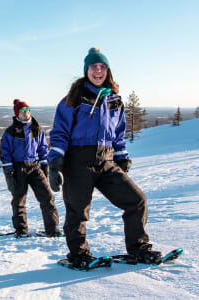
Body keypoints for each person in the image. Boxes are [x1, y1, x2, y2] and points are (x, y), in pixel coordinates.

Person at [48, 48, 160, 268]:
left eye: (102, 67)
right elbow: (60, 132)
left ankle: (138, 248)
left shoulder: (114, 99)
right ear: (86, 70)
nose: (98, 71)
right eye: (94, 67)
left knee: (137, 200)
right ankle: (79, 255)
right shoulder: (74, 98)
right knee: (78, 212)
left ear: (108, 70)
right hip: (78, 161)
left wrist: (122, 157)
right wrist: (56, 162)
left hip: (106, 160)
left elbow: (118, 134)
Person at [0, 99, 61, 238]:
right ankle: (21, 231)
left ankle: (52, 229)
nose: (25, 112)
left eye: (27, 110)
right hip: (18, 168)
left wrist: (45, 165)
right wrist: (9, 170)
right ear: (17, 114)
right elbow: (5, 151)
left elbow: (43, 148)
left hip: (34, 167)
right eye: (22, 111)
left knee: (47, 197)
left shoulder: (37, 129)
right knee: (19, 200)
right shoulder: (11, 131)